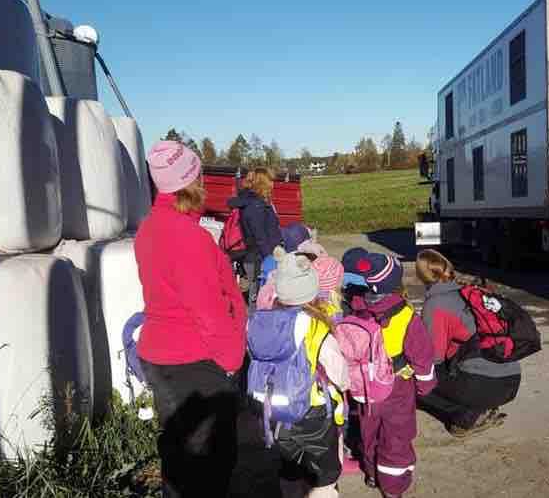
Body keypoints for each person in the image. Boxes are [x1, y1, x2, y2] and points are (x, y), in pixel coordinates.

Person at [135, 140, 250, 498]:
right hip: (195, 361)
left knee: (178, 457)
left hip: (162, 354)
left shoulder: (151, 228)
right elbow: (209, 311)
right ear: (191, 181)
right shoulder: (188, 238)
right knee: (209, 467)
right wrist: (231, 360)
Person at [248, 247, 349, 498]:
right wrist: (346, 386)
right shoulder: (315, 327)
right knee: (323, 475)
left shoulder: (257, 322)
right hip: (311, 412)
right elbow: (338, 371)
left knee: (289, 469)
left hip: (271, 412)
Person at [350, 253, 436, 498]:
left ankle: (371, 473)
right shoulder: (406, 317)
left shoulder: (357, 310)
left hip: (366, 386)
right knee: (397, 435)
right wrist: (425, 385)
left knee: (368, 430)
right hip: (397, 387)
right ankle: (392, 486)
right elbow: (422, 358)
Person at [414, 249, 522, 438]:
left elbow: (435, 358)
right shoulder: (473, 291)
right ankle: (482, 405)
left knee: (415, 380)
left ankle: (466, 416)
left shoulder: (436, 304)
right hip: (511, 379)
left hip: (483, 383)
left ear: (420, 275)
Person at [228, 168, 283, 303]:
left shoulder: (259, 203)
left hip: (260, 256)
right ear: (263, 183)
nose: (273, 184)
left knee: (262, 294)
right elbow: (260, 237)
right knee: (259, 296)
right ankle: (254, 321)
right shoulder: (256, 206)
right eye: (270, 180)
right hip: (259, 258)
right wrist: (270, 259)